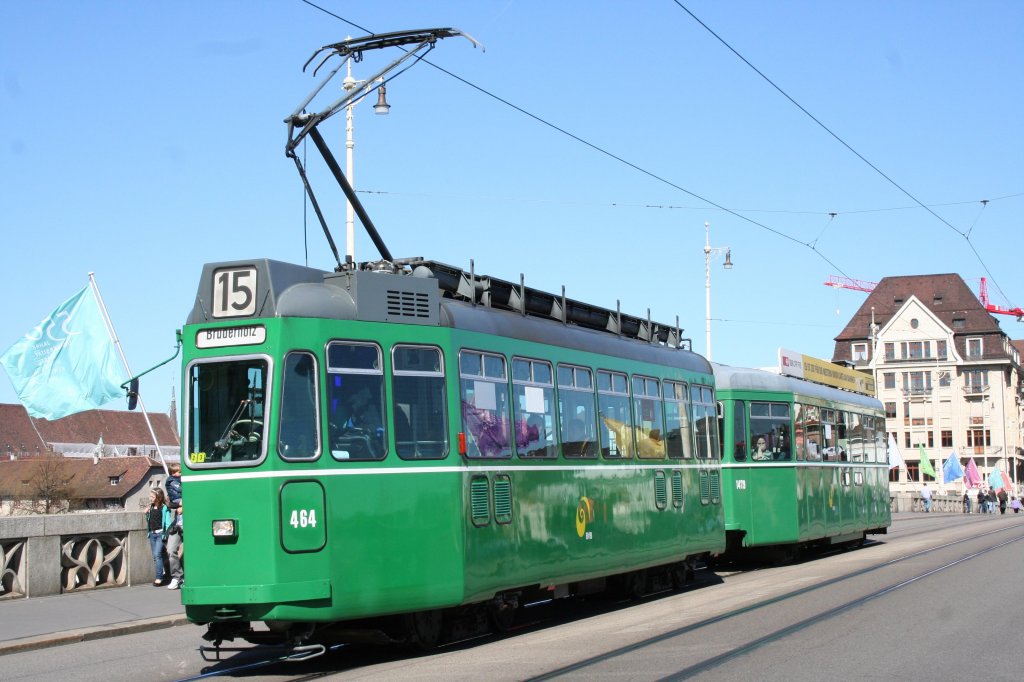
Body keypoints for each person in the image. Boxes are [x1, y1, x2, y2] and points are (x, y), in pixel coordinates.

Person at [145, 489, 174, 586]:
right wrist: (147, 514)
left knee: (157, 555)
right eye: (150, 496)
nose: (150, 498)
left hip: (160, 534)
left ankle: (159, 578)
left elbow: (168, 523)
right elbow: (150, 521)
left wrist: (166, 535)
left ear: (158, 497)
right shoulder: (151, 507)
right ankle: (168, 574)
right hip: (152, 534)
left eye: (152, 497)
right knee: (158, 556)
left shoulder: (164, 508)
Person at [164, 462, 184, 590]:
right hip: (178, 522)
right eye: (179, 472)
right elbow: (171, 501)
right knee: (171, 550)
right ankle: (177, 577)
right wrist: (179, 504)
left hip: (191, 520)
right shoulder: (172, 483)